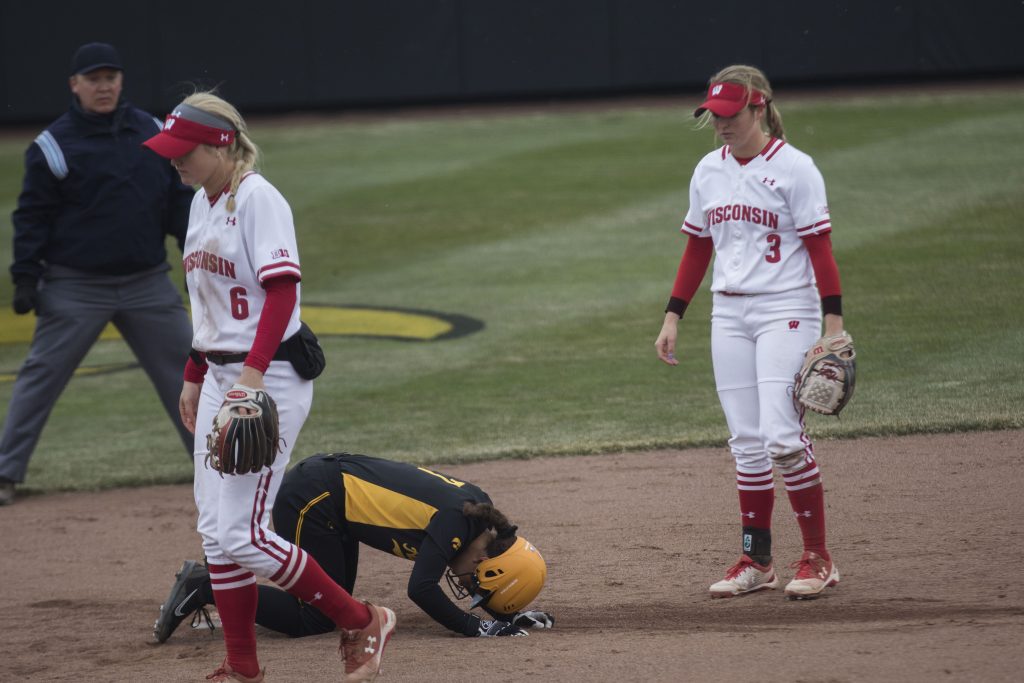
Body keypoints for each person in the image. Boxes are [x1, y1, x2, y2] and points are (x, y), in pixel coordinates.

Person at [142, 94, 393, 683]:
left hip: (269, 374)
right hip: (221, 377)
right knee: (215, 530)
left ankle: (362, 618)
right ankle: (243, 667)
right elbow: (207, 308)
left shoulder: (258, 198)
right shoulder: (200, 204)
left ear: (221, 144)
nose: (174, 162)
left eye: (185, 152)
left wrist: (250, 378)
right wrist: (194, 375)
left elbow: (280, 293)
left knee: (243, 532)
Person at [654, 65, 848, 600]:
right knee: (747, 443)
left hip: (787, 309)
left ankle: (818, 557)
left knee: (783, 437)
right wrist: (674, 315)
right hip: (729, 316)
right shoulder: (707, 171)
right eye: (713, 115)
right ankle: (756, 561)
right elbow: (698, 247)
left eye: (730, 114)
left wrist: (833, 325)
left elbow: (820, 249)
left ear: (757, 107)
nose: (720, 124)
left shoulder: (795, 169)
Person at [0, 42, 195, 506]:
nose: (103, 86)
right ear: (75, 85)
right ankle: (5, 472)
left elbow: (177, 200)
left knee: (190, 374)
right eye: (93, 79)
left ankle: (218, 468)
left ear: (121, 81)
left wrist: (192, 252)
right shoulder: (52, 144)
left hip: (148, 282)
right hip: (75, 286)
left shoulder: (152, 131)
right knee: (40, 376)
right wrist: (25, 276)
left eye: (110, 77)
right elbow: (32, 216)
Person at [153, 452, 552, 645]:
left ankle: (213, 583)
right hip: (314, 498)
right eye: (479, 586)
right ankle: (205, 586)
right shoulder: (458, 523)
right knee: (313, 617)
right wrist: (478, 627)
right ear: (487, 562)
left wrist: (511, 613)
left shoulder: (478, 516)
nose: (466, 585)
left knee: (330, 604)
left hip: (330, 502)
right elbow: (422, 588)